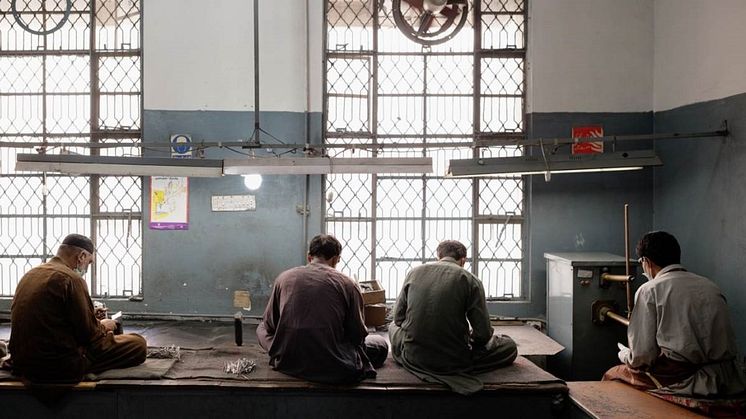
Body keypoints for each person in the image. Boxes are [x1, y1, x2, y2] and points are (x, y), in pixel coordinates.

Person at [603, 231, 746, 396]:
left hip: (684, 378)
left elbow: (641, 358)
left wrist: (625, 355)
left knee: (613, 375)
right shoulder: (710, 285)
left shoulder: (650, 290)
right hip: (728, 376)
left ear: (646, 262)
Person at [7, 234, 147, 383]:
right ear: (81, 256)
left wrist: (90, 314)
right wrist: (103, 326)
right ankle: (86, 369)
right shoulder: (72, 279)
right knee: (138, 344)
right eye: (89, 262)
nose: (87, 267)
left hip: (21, 361)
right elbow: (90, 336)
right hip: (57, 366)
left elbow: (54, 316)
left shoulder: (31, 274)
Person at [389, 240, 518, 395]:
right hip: (452, 361)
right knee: (509, 346)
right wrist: (471, 339)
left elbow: (398, 319)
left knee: (392, 327)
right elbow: (483, 334)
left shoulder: (414, 272)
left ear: (439, 256)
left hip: (414, 356)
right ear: (463, 260)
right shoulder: (471, 280)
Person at [256, 234, 388, 383]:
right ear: (335, 259)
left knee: (261, 328)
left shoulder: (283, 278)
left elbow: (269, 324)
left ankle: (283, 352)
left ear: (309, 257)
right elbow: (357, 335)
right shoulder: (348, 284)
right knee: (380, 343)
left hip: (288, 361)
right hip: (336, 365)